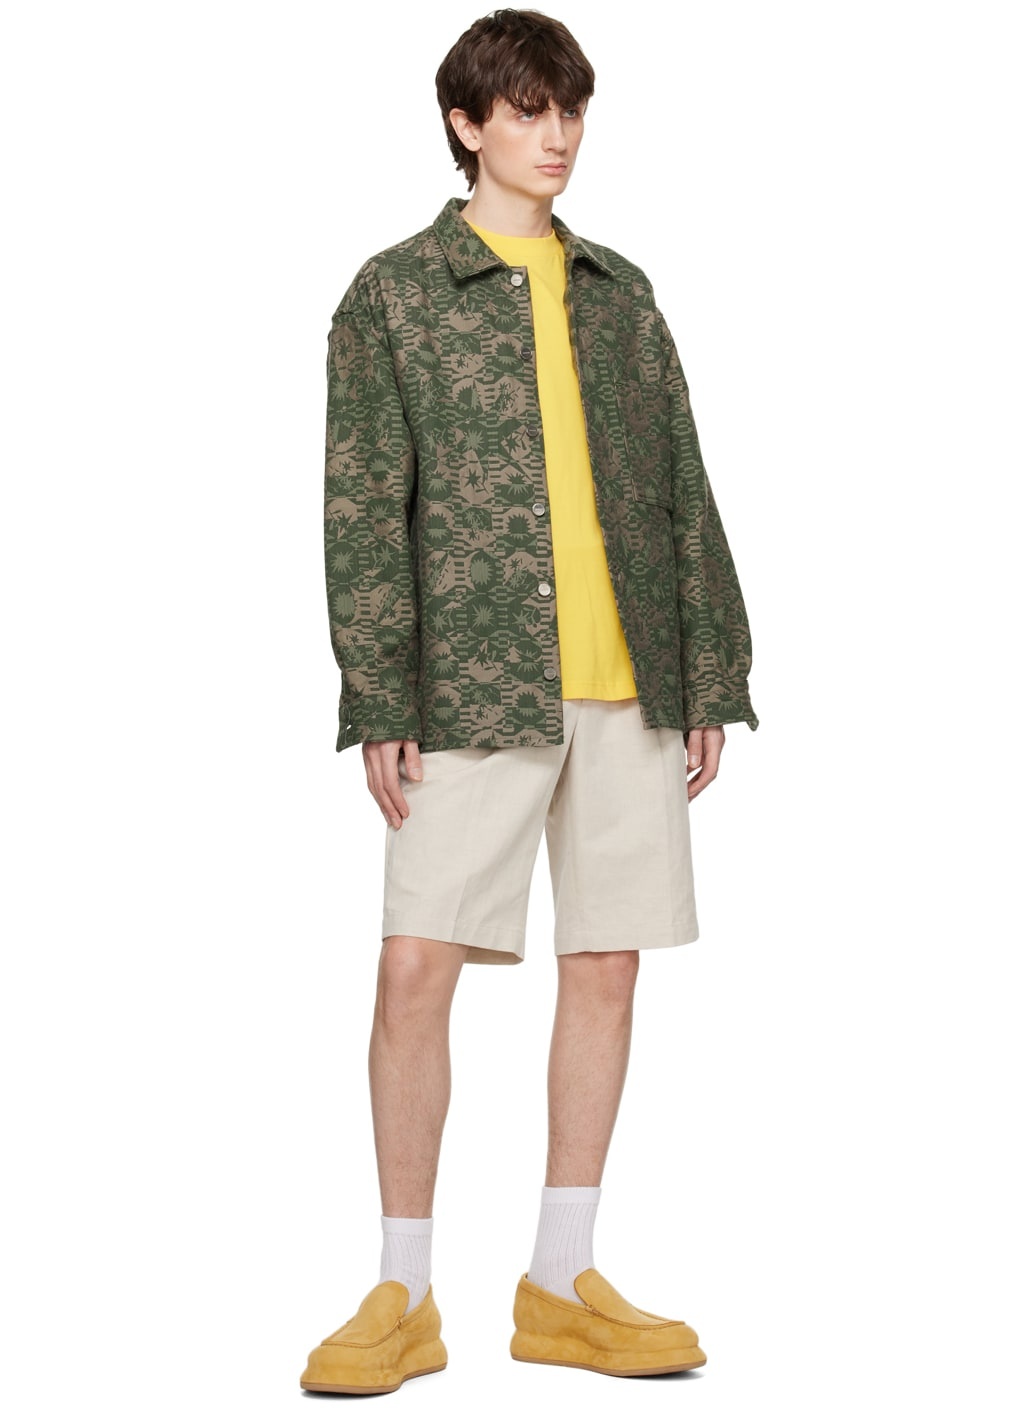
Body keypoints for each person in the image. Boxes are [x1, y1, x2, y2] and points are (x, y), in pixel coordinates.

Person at [301, 7, 758, 1395]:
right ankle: (401, 1290)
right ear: (467, 124)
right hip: (470, 681)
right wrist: (379, 685)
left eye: (572, 110)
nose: (557, 136)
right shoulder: (395, 294)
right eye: (528, 111)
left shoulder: (621, 293)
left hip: (628, 679)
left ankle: (561, 1283)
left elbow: (682, 486)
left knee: (607, 963)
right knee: (415, 967)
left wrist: (710, 671)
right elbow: (362, 506)